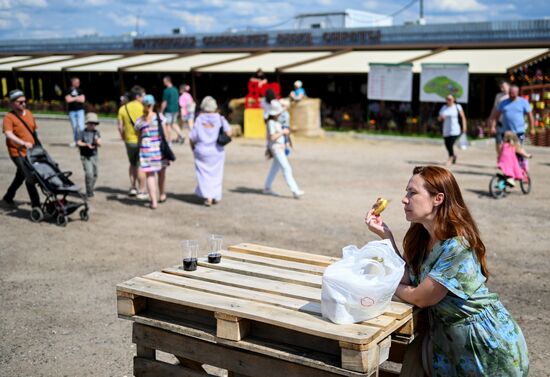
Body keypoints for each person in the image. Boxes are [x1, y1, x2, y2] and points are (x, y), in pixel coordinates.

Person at [365, 166, 529, 376]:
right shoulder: (421, 236)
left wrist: (382, 280)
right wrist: (386, 236)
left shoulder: (458, 247)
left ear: (438, 198)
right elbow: (407, 275)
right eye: (407, 192)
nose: (404, 199)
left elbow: (419, 297)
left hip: (486, 346)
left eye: (412, 193)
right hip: (449, 340)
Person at [189, 96, 232, 207]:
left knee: (203, 175)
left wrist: (193, 148)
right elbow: (229, 133)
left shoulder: (199, 119)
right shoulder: (220, 118)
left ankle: (208, 197)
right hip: (216, 151)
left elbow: (192, 137)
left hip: (201, 151)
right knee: (216, 175)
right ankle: (214, 196)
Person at [2, 89, 41, 210]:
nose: (23, 104)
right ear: (12, 103)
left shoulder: (28, 113)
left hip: (30, 152)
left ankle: (8, 197)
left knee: (20, 176)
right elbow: (8, 134)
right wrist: (23, 143)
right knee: (29, 178)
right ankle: (36, 206)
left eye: (25, 101)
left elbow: (33, 131)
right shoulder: (9, 117)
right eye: (20, 102)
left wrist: (38, 146)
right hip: (17, 152)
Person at [263, 101, 304, 199]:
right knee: (286, 168)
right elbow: (272, 137)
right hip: (277, 148)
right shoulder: (271, 123)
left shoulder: (275, 122)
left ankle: (267, 187)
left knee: (274, 169)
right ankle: (295, 190)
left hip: (279, 147)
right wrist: (282, 132)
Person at [134, 95, 169, 209]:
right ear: (153, 104)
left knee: (150, 175)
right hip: (159, 149)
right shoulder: (160, 117)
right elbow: (165, 134)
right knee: (161, 173)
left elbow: (139, 138)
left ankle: (154, 202)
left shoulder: (139, 120)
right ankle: (162, 194)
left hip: (146, 149)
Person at [117, 85, 146, 199]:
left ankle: (133, 187)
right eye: (143, 95)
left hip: (129, 141)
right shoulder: (143, 107)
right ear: (138, 96)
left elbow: (120, 127)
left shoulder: (123, 108)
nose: (144, 98)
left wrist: (124, 137)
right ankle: (142, 190)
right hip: (142, 140)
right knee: (140, 165)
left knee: (132, 164)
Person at [437, 94, 467, 166]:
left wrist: (464, 127)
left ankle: (450, 158)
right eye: (447, 99)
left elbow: (463, 117)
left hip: (455, 130)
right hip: (446, 130)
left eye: (450, 99)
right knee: (447, 144)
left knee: (450, 144)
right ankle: (453, 155)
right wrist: (441, 117)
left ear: (454, 99)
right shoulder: (444, 107)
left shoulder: (457, 107)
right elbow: (439, 119)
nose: (448, 100)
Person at [77, 112, 101, 198]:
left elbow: (99, 143)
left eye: (94, 124)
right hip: (85, 155)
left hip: (94, 155)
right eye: (91, 123)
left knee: (95, 174)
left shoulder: (96, 132)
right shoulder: (82, 132)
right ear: (87, 123)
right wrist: (86, 144)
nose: (92, 125)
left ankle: (90, 188)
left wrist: (96, 141)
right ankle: (89, 192)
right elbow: (78, 142)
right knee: (89, 173)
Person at [161, 76, 185, 144]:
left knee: (167, 125)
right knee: (173, 123)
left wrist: (161, 111)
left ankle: (169, 140)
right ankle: (182, 135)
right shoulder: (175, 89)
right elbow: (178, 100)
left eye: (164, 82)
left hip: (169, 110)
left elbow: (164, 102)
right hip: (176, 109)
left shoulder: (166, 91)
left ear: (166, 81)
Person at [489, 80, 509, 154]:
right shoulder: (498, 96)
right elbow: (495, 108)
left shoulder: (512, 96)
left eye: (503, 87)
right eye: (501, 87)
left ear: (509, 86)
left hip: (509, 124)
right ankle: (500, 156)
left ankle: (505, 159)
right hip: (499, 122)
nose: (502, 89)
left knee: (507, 143)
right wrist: (491, 119)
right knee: (498, 141)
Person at [64, 77, 86, 147]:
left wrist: (73, 98)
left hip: (80, 110)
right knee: (75, 127)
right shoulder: (68, 90)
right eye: (77, 82)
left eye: (79, 82)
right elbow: (68, 100)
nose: (78, 83)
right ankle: (76, 141)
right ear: (73, 82)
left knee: (81, 126)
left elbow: (83, 100)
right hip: (72, 111)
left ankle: (81, 140)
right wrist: (77, 98)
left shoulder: (81, 90)